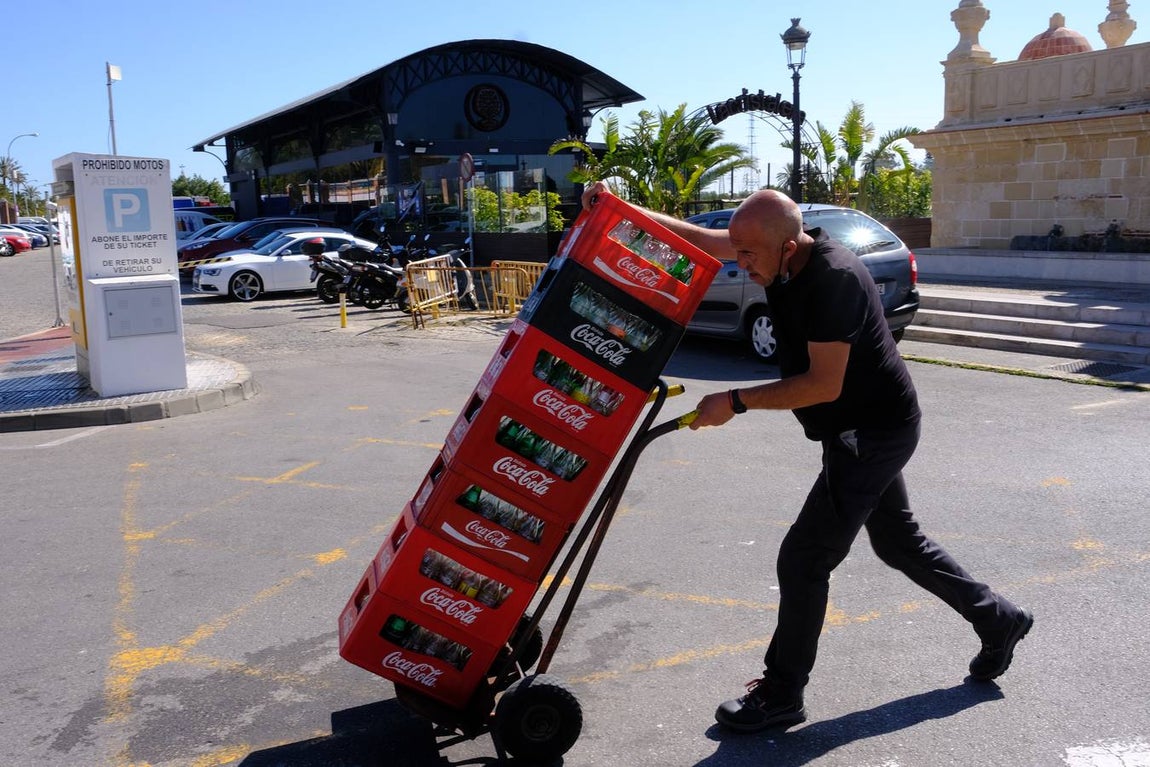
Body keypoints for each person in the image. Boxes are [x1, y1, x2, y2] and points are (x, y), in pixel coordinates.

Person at [580, 183, 1033, 733]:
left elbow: (822, 384)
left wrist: (735, 401)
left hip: (870, 432)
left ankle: (782, 695)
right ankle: (999, 619)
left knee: (803, 559)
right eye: (739, 251)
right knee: (898, 543)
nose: (740, 263)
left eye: (749, 255)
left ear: (788, 247)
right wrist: (619, 210)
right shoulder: (772, 248)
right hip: (863, 427)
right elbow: (705, 239)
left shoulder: (833, 280)